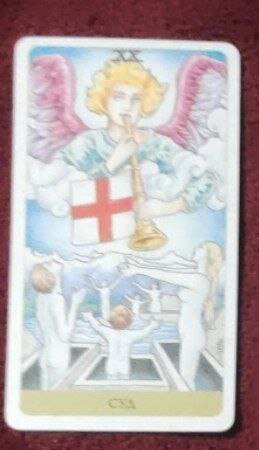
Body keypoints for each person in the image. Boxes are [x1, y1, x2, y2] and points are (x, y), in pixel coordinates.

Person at [59, 55, 218, 222]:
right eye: (118, 96)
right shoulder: (89, 143)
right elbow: (65, 187)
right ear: (104, 100)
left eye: (136, 99)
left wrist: (166, 208)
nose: (127, 106)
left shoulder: (157, 144)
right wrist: (112, 163)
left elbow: (207, 179)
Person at [122, 243, 223, 388]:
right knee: (185, 379)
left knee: (186, 381)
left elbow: (166, 275)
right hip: (189, 334)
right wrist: (138, 264)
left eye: (200, 248)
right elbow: (167, 269)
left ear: (207, 256)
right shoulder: (195, 275)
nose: (196, 249)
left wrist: (138, 269)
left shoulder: (199, 279)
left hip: (193, 335)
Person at [30, 256, 85, 388]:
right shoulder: (57, 299)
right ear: (49, 275)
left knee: (45, 396)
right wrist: (75, 305)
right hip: (58, 356)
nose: (54, 260)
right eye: (49, 263)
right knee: (58, 395)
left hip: (45, 355)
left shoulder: (41, 298)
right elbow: (65, 335)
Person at [83, 304, 156, 381]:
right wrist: (152, 325)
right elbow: (144, 332)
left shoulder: (109, 332)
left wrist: (90, 317)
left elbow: (97, 326)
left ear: (110, 320)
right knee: (124, 382)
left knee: (110, 382)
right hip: (124, 367)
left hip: (111, 366)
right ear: (129, 322)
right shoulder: (130, 335)